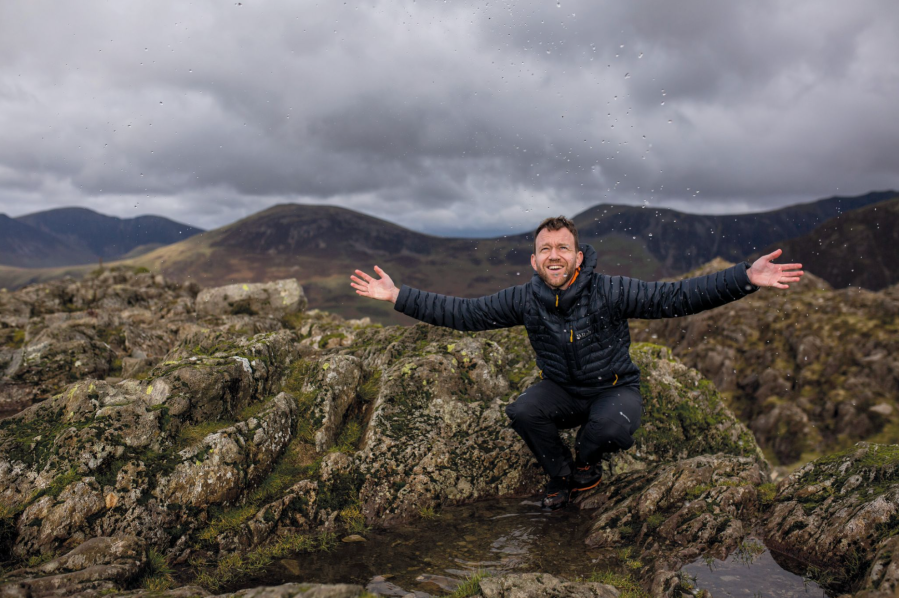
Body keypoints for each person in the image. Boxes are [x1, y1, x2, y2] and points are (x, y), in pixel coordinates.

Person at [349, 216, 803, 510]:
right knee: (522, 411)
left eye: (562, 248)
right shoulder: (524, 299)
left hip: (613, 388)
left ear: (578, 256)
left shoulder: (610, 289)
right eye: (545, 249)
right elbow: (466, 314)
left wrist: (743, 277)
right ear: (534, 259)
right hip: (561, 388)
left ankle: (586, 467)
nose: (554, 255)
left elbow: (676, 297)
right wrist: (398, 296)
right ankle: (560, 476)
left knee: (609, 430)